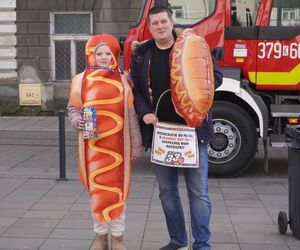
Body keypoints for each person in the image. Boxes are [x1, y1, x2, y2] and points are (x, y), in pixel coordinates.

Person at [130, 6, 223, 250]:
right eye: (155, 23)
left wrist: (199, 88)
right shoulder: (142, 53)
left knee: (198, 192)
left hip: (193, 133)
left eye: (163, 22)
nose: (160, 26)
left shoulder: (192, 46)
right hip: (163, 133)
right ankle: (178, 240)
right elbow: (137, 90)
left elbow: (216, 77)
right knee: (167, 192)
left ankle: (201, 244)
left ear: (172, 23)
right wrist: (145, 112)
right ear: (149, 27)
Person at [67, 34, 143, 250]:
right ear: (91, 54)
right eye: (98, 53)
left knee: (118, 191)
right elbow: (73, 108)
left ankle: (117, 237)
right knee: (97, 191)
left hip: (119, 146)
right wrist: (76, 121)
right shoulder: (80, 80)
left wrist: (136, 144)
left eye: (107, 53)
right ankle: (100, 237)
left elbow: (131, 114)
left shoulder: (123, 80)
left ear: (114, 55)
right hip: (92, 148)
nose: (102, 57)